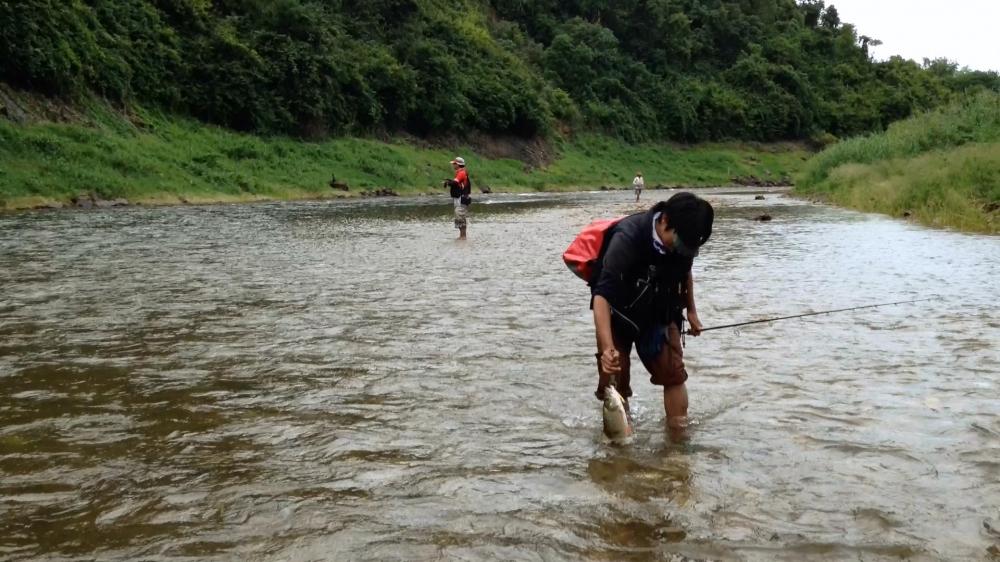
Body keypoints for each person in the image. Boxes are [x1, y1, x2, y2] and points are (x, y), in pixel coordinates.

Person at [589, 192, 714, 440]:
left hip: (659, 315)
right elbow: (601, 296)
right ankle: (620, 444)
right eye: (680, 244)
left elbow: (685, 273)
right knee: (615, 383)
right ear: (665, 221)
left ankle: (678, 444)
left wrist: (691, 311)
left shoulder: (684, 243)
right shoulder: (627, 238)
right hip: (618, 316)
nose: (683, 251)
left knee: (674, 374)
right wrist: (606, 349)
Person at [443, 156, 471, 240]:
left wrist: (448, 182)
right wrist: (449, 181)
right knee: (460, 216)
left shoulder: (461, 173)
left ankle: (463, 237)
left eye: (454, 164)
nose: (453, 165)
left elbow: (455, 183)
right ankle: (462, 236)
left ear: (458, 164)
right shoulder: (460, 172)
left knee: (460, 216)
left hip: (462, 198)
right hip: (461, 198)